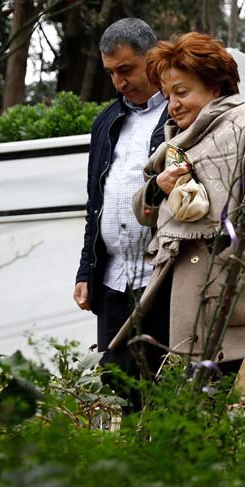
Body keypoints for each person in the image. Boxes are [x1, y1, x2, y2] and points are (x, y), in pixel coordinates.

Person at [108, 32, 245, 379]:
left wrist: (230, 249)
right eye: (167, 95)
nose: (173, 104)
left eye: (182, 92)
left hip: (222, 279)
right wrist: (158, 187)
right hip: (175, 276)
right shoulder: (174, 139)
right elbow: (143, 212)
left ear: (215, 88)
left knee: (202, 394)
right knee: (129, 374)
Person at [73, 18, 170, 377]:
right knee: (118, 390)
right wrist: (86, 269)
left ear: (153, 58)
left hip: (161, 279)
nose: (118, 82)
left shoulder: (179, 111)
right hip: (112, 280)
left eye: (126, 70)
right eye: (111, 72)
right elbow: (94, 204)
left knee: (161, 390)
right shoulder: (106, 120)